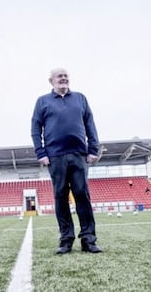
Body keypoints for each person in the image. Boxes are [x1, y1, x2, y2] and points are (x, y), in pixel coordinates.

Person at [31, 68, 102, 254]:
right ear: (51, 81)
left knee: (82, 196)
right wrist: (41, 153)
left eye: (66, 76)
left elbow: (90, 124)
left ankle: (89, 240)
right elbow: (35, 128)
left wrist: (93, 149)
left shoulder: (80, 98)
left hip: (79, 155)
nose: (63, 79)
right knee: (60, 197)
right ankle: (66, 240)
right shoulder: (42, 102)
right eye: (59, 76)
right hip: (55, 156)